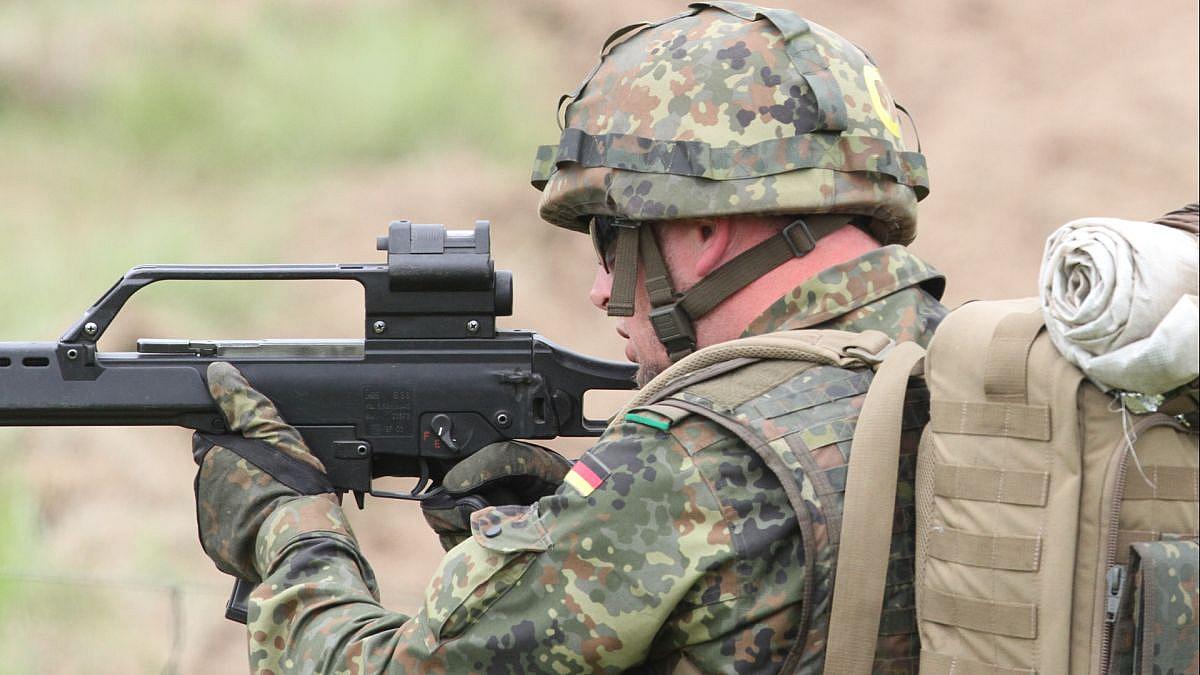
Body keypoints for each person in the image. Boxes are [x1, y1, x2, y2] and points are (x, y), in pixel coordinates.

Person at [191, 4, 947, 672]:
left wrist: (290, 525)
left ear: (707, 229)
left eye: (611, 241)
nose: (599, 288)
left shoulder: (691, 460)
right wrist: (542, 536)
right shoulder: (956, 367)